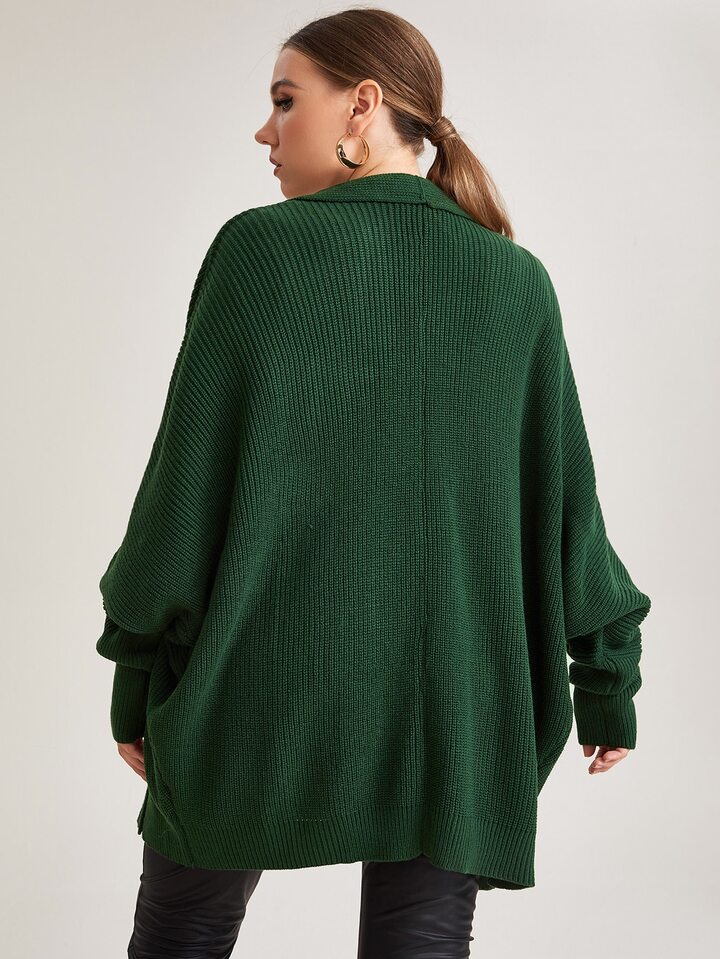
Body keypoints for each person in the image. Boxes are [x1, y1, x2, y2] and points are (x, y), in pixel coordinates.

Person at [96, 8, 652, 958]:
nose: (265, 131)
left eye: (285, 100)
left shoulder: (258, 252)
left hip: (257, 688)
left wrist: (137, 668)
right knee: (420, 941)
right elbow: (570, 511)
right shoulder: (515, 281)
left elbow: (182, 494)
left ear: (363, 104)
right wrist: (607, 678)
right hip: (452, 705)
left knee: (184, 932)